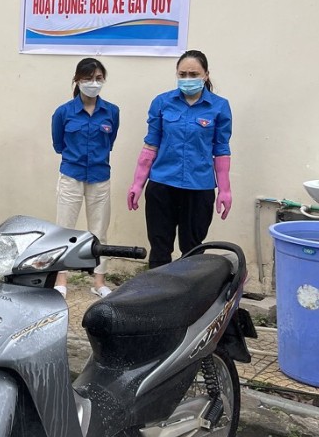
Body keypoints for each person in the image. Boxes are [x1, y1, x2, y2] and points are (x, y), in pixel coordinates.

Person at [127, 49, 233, 269]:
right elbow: (150, 145)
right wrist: (138, 184)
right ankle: (157, 297)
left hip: (199, 187)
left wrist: (225, 190)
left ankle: (188, 299)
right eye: (182, 74)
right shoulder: (162, 102)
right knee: (160, 247)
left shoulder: (219, 106)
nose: (188, 79)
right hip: (162, 184)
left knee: (193, 249)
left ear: (206, 75)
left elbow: (221, 150)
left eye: (193, 74)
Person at [51, 57, 120, 298]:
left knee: (99, 230)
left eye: (98, 78)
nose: (93, 83)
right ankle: (61, 278)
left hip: (100, 176)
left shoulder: (112, 112)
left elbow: (109, 143)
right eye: (88, 78)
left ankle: (98, 281)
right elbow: (59, 145)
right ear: (77, 80)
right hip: (71, 174)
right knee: (64, 229)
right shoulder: (63, 112)